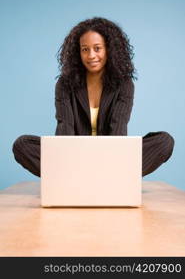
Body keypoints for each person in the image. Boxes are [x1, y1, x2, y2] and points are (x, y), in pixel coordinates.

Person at [12, 17, 174, 177]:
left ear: (109, 49)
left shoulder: (124, 84)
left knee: (164, 141)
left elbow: (118, 129)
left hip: (112, 157)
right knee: (22, 145)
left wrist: (109, 159)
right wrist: (66, 159)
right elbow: (65, 128)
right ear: (78, 52)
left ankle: (93, 177)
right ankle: (96, 178)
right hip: (74, 157)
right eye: (85, 49)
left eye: (97, 48)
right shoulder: (65, 83)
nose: (91, 55)